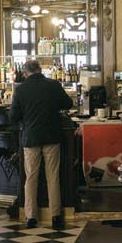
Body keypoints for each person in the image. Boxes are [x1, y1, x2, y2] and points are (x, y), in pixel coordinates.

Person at [11, 60, 73, 229]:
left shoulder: (20, 89)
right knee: (53, 177)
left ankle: (31, 217)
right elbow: (68, 103)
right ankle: (56, 217)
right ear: (40, 70)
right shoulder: (53, 85)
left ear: (25, 72)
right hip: (52, 135)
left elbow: (13, 116)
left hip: (31, 137)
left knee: (31, 177)